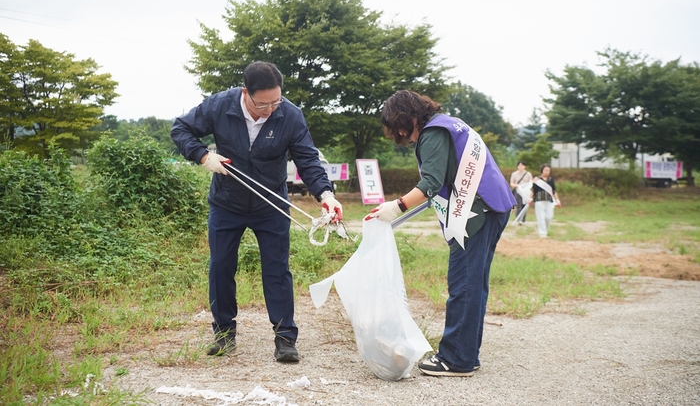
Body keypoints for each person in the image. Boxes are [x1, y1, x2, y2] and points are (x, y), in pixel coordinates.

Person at [171, 61, 343, 362]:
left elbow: (308, 159)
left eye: (276, 101)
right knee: (221, 266)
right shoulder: (220, 105)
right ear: (245, 93)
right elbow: (181, 128)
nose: (270, 109)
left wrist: (325, 194)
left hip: (272, 204)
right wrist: (202, 156)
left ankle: (285, 338)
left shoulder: (289, 115)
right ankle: (224, 333)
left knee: (277, 270)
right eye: (263, 104)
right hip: (227, 203)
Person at [365, 90, 515, 377]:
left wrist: (396, 207)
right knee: (475, 284)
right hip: (495, 207)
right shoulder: (451, 124)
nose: (401, 134)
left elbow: (431, 182)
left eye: (399, 126)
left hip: (477, 214)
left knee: (464, 284)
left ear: (408, 117)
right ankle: (467, 353)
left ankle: (456, 359)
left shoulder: (433, 132)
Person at [528, 164, 561, 238]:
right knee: (541, 217)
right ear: (542, 170)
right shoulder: (537, 180)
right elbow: (533, 190)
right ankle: (542, 234)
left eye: (548, 170)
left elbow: (554, 191)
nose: (547, 172)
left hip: (549, 200)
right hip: (539, 200)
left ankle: (544, 229)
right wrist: (529, 198)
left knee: (549, 217)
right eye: (545, 170)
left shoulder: (551, 180)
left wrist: (557, 200)